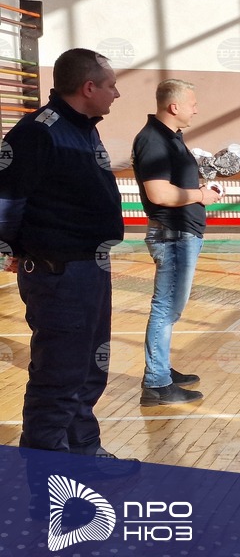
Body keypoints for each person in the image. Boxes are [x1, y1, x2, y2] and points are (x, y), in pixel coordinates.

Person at [0, 48, 125, 456]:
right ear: (88, 87)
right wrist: (12, 250)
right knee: (58, 378)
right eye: (111, 86)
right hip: (59, 275)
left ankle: (84, 451)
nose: (116, 94)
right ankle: (46, 480)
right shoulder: (38, 132)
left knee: (87, 371)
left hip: (89, 269)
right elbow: (7, 201)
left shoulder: (84, 128)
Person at [133, 79, 220, 406]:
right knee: (166, 309)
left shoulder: (169, 137)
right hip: (172, 236)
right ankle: (156, 383)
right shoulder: (154, 140)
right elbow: (159, 193)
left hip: (180, 235)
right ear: (174, 106)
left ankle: (161, 368)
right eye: (192, 104)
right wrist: (200, 195)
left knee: (170, 309)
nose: (196, 109)